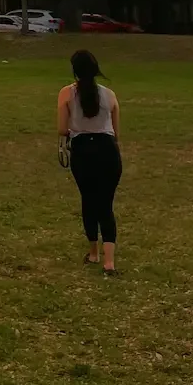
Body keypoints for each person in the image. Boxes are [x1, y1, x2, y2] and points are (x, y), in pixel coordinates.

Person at [57, 49, 122, 276]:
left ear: (74, 70)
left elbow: (62, 129)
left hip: (83, 151)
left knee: (89, 199)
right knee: (106, 204)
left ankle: (94, 253)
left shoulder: (66, 93)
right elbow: (115, 131)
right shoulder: (110, 95)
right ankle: (110, 262)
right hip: (108, 151)